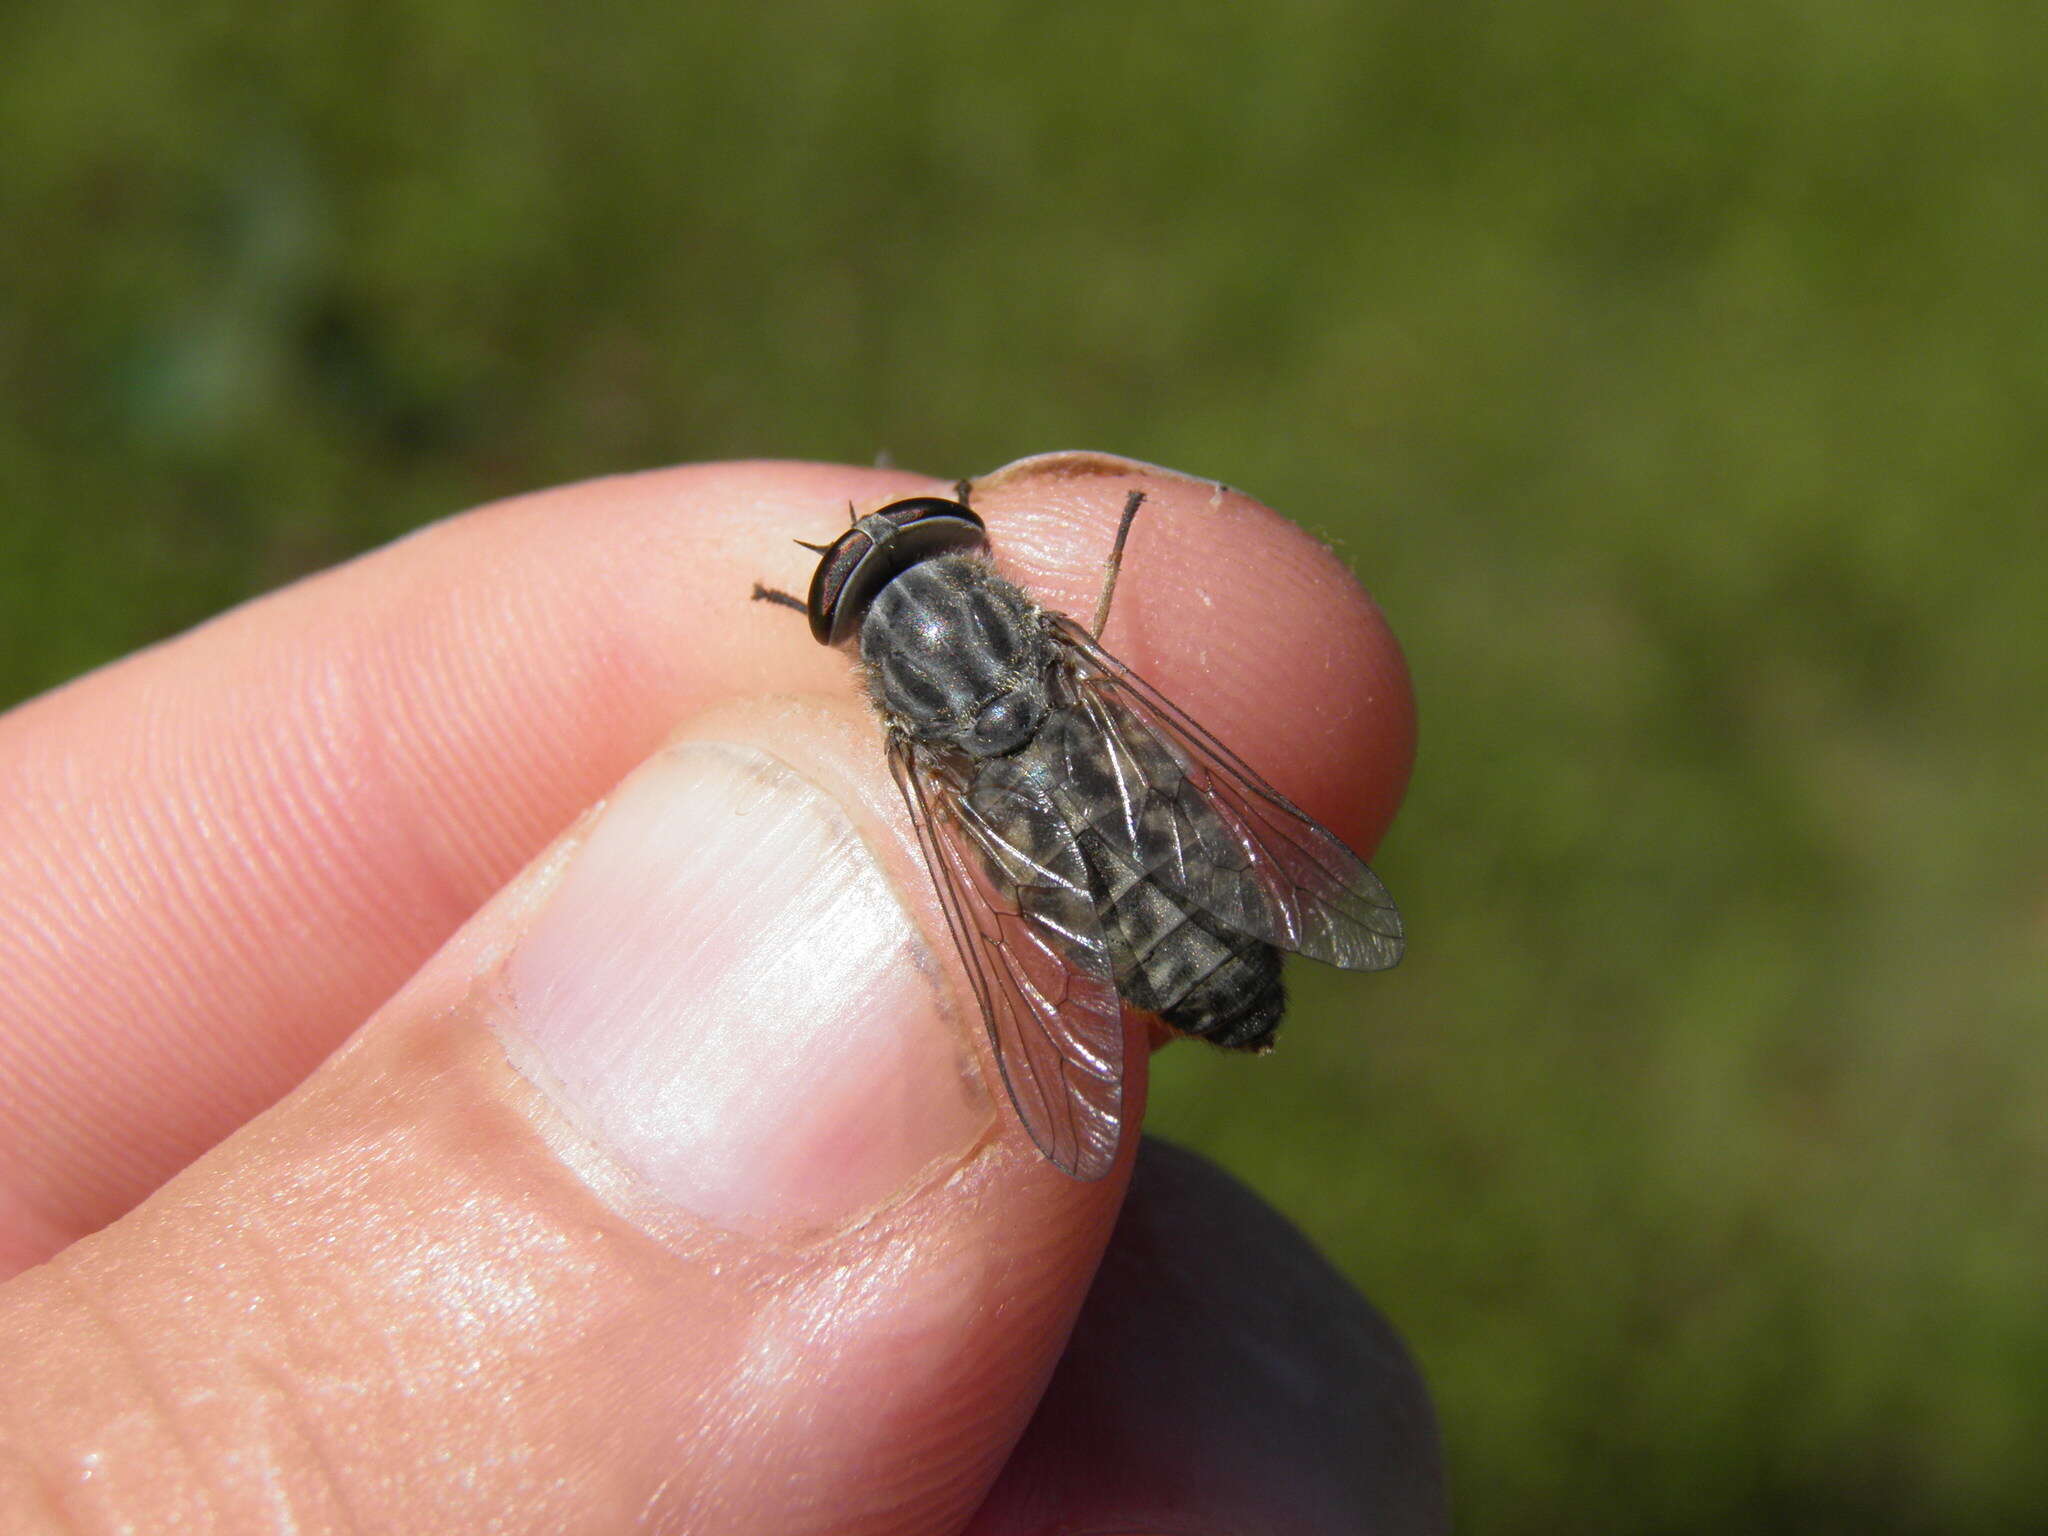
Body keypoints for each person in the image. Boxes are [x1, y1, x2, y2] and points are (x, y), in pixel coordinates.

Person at [0, 452, 1445, 1532]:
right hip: (1133, 807)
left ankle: (1177, 981)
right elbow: (1165, 745)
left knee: (992, 855)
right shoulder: (1050, 636)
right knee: (1125, 787)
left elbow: (984, 879)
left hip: (1082, 862)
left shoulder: (899, 730)